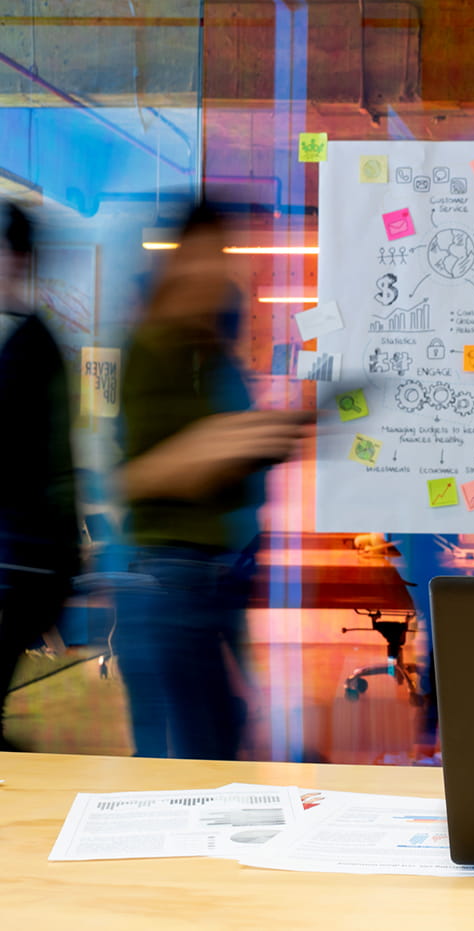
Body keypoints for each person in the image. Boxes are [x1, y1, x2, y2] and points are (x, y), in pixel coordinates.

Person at [114, 203, 310, 759]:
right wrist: (228, 443)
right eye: (204, 256)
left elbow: (224, 460)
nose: (216, 272)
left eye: (222, 256)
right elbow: (139, 475)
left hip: (217, 578)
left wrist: (263, 439)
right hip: (168, 583)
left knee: (215, 754)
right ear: (178, 262)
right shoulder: (152, 348)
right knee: (180, 767)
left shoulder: (211, 353)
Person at [0, 201, 80, 751]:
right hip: (27, 547)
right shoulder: (30, 340)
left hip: (27, 548)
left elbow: (49, 455)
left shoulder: (34, 345)